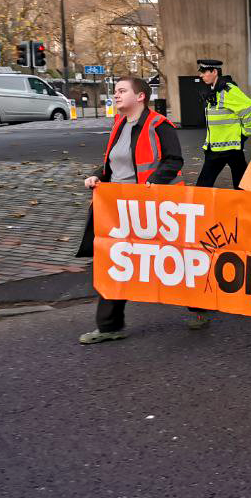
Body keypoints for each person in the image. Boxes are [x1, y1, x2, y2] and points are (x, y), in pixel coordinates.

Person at [76, 76, 189, 343]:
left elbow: (174, 160)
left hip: (154, 207)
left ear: (140, 97)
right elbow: (112, 166)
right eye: (115, 91)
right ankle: (109, 327)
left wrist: (152, 183)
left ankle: (199, 307)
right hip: (119, 207)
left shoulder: (159, 125)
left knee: (175, 259)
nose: (115, 95)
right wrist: (97, 176)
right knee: (115, 261)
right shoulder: (118, 125)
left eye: (122, 91)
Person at [195, 58, 251, 188]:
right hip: (215, 148)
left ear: (215, 72)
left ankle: (247, 207)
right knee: (203, 186)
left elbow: (250, 108)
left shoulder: (228, 90)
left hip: (231, 147)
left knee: (241, 186)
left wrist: (245, 133)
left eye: (204, 72)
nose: (201, 75)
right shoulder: (212, 90)